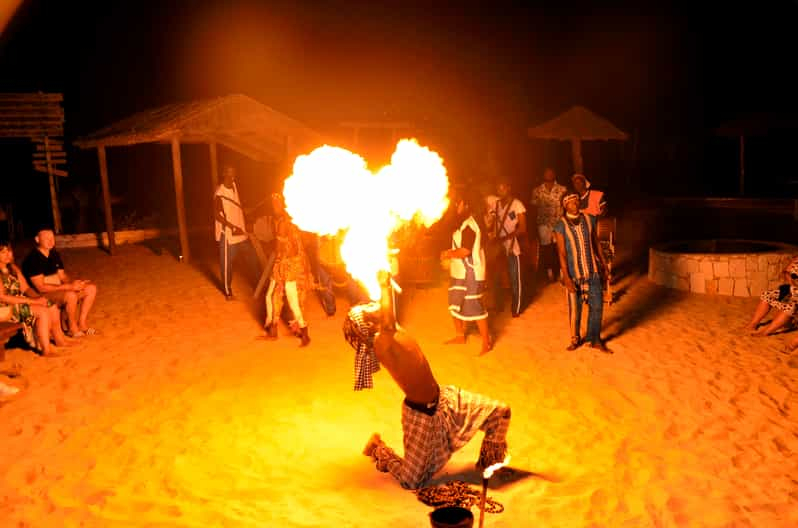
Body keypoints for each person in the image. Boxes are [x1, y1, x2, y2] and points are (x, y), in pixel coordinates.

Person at [347, 275, 511, 490]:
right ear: (368, 324)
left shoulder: (392, 329)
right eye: (366, 309)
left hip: (445, 401)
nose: (370, 304)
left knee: (500, 412)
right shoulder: (381, 343)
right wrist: (384, 284)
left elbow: (390, 319)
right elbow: (386, 322)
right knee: (412, 481)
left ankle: (489, 464)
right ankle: (379, 450)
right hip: (420, 418)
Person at [553, 193, 611, 352]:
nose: (575, 204)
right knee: (575, 308)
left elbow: (596, 243)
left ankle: (595, 338)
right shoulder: (560, 225)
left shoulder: (589, 219)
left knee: (597, 305)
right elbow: (562, 253)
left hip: (592, 271)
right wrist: (566, 277)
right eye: (571, 202)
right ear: (565, 205)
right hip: (573, 273)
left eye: (577, 200)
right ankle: (575, 339)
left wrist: (604, 265)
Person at [440, 189, 492, 354]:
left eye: (459, 203)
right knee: (454, 303)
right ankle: (460, 335)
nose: (456, 205)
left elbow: (465, 251)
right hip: (459, 272)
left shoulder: (470, 225)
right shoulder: (461, 224)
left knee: (474, 306)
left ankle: (486, 342)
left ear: (467, 205)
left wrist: (447, 254)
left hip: (471, 273)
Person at [22, 228, 98, 337]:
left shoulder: (53, 254)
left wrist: (75, 284)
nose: (51, 241)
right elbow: (41, 288)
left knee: (91, 288)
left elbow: (62, 276)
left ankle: (82, 324)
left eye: (52, 238)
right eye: (46, 238)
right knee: (71, 295)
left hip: (58, 289)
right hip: (42, 295)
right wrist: (69, 287)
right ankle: (72, 327)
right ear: (37, 239)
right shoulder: (32, 259)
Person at [2, 240, 71, 356]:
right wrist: (33, 301)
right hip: (5, 308)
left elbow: (26, 289)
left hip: (18, 303)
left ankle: (60, 339)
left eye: (9, 250)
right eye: (3, 252)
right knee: (42, 311)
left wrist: (40, 298)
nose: (8, 254)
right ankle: (46, 349)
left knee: (50, 305)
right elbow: (3, 298)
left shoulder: (13, 269)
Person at [263, 192, 312, 346]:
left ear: (283, 206)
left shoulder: (285, 223)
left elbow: (287, 247)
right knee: (271, 296)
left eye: (277, 204)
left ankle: (304, 332)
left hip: (289, 266)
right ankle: (273, 329)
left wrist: (284, 256)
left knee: (292, 301)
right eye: (273, 204)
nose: (275, 207)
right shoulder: (283, 221)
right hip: (284, 264)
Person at [214, 165, 260, 300]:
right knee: (227, 264)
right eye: (229, 173)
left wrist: (244, 210)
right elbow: (217, 215)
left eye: (234, 173)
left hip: (241, 232)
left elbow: (235, 205)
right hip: (228, 234)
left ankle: (258, 284)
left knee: (253, 259)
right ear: (223, 174)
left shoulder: (234, 185)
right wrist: (231, 226)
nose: (232, 176)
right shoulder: (219, 193)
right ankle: (228, 292)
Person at [486, 178, 529, 317]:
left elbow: (522, 228)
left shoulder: (517, 205)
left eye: (503, 187)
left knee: (514, 277)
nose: (500, 190)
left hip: (512, 245)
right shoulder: (495, 204)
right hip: (498, 246)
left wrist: (505, 238)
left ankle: (516, 307)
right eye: (498, 188)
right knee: (496, 277)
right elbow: (490, 224)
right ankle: (498, 305)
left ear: (509, 188)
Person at [745, 256, 798, 337]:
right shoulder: (796, 260)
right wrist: (789, 275)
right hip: (793, 291)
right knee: (767, 295)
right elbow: (786, 275)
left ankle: (765, 332)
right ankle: (753, 324)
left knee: (791, 306)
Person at [530, 168, 567, 283]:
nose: (549, 175)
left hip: (558, 222)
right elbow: (532, 207)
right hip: (543, 223)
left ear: (554, 174)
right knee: (546, 249)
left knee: (559, 248)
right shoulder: (537, 191)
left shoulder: (562, 189)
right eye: (546, 173)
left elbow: (566, 206)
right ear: (543, 175)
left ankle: (562, 271)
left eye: (551, 173)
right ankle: (549, 272)